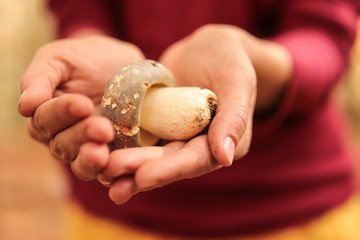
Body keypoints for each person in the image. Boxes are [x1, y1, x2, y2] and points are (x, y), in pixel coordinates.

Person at [18, 0, 360, 239]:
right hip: (120, 214)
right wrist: (87, 39)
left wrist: (255, 64)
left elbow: (325, 32)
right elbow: (80, 6)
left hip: (293, 205)